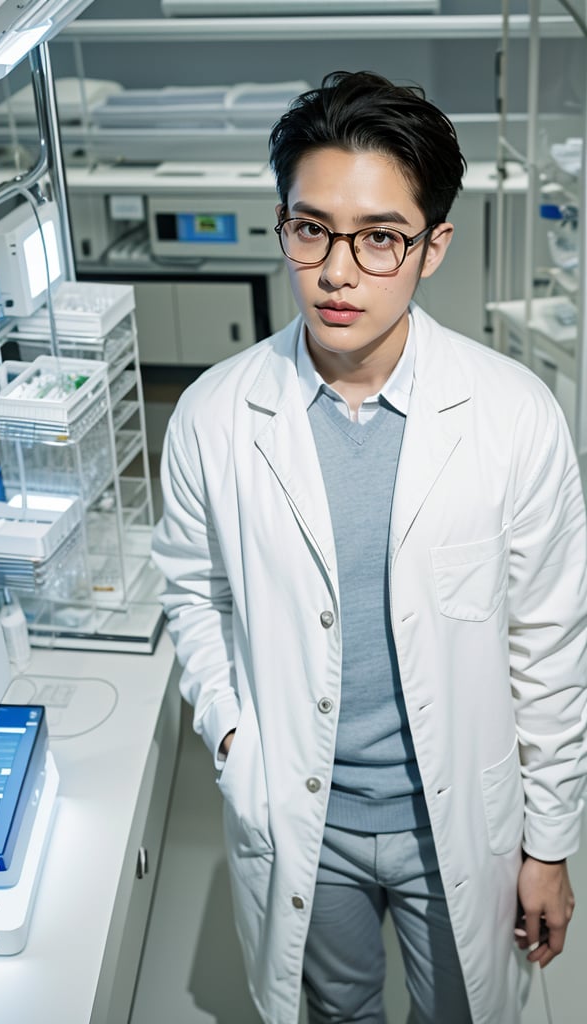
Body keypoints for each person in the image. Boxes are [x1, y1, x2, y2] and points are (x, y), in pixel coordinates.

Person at [151, 70, 587, 1024]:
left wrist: (550, 845)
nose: (337, 271)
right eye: (311, 229)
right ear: (285, 224)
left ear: (433, 247)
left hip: (456, 821)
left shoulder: (515, 418)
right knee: (337, 1013)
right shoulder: (217, 416)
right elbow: (194, 593)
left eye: (379, 238)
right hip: (308, 819)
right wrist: (232, 734)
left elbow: (549, 650)